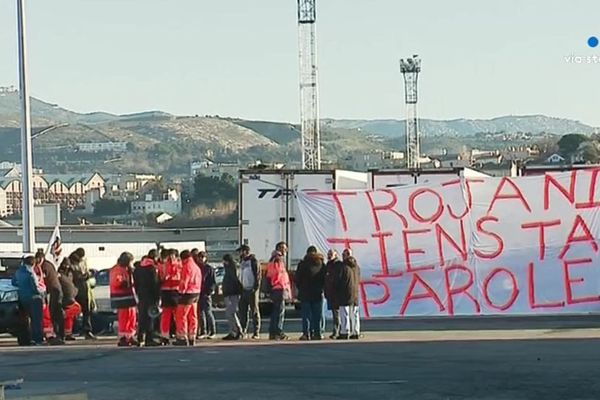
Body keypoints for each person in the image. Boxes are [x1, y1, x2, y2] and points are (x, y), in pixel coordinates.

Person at [295, 246, 326, 340]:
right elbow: (325, 278)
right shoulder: (321, 264)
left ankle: (306, 333)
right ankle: (318, 333)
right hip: (317, 292)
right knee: (317, 315)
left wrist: (300, 288)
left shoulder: (302, 264)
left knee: (306, 315)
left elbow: (297, 279)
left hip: (305, 293)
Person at [12, 255, 44, 345]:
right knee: (37, 320)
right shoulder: (31, 273)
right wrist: (43, 292)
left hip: (23, 298)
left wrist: (22, 287)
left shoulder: (18, 272)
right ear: (33, 264)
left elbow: (13, 282)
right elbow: (35, 288)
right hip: (34, 298)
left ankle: (30, 338)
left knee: (27, 320)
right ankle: (38, 339)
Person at [35, 250, 64, 345]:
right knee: (56, 312)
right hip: (55, 290)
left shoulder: (45, 266)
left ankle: (57, 333)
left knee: (53, 312)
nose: (37, 261)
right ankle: (59, 334)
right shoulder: (48, 264)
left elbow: (42, 280)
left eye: (38, 259)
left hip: (54, 291)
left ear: (42, 258)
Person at [110, 252, 139, 347]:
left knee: (132, 316)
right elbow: (116, 282)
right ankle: (123, 337)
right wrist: (124, 282)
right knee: (124, 318)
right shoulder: (116, 269)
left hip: (129, 296)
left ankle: (130, 335)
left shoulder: (128, 269)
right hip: (120, 297)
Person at [174, 250, 202, 346]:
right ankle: (192, 336)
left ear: (183, 259)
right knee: (193, 316)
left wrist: (180, 292)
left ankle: (182, 337)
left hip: (187, 294)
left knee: (181, 316)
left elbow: (184, 281)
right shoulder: (196, 266)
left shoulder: (187, 266)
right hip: (196, 293)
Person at [134, 250, 161, 347]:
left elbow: (135, 283)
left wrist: (138, 293)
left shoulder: (138, 268)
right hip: (151, 296)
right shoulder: (152, 268)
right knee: (150, 317)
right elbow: (155, 284)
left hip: (141, 295)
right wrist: (158, 297)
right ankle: (149, 339)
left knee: (142, 316)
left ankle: (140, 337)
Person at [266, 241, 291, 341]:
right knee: (280, 311)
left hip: (276, 288)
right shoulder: (278, 259)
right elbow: (278, 274)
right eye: (284, 249)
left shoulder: (273, 259)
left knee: (275, 311)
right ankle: (278, 332)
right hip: (279, 288)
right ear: (280, 249)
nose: (286, 251)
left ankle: (273, 332)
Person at [70, 248, 96, 340]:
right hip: (75, 290)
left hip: (84, 290)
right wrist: (84, 276)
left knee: (86, 311)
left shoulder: (82, 262)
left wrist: (87, 275)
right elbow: (75, 277)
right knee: (73, 311)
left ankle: (86, 330)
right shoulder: (71, 264)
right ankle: (72, 331)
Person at [336, 249, 361, 340]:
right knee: (354, 313)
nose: (342, 256)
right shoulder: (357, 266)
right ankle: (356, 331)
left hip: (345, 292)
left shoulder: (343, 266)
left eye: (343, 254)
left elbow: (338, 280)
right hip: (355, 292)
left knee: (344, 313)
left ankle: (345, 331)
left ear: (346, 255)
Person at [237, 245, 261, 340]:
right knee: (243, 312)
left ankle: (256, 332)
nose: (239, 253)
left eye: (241, 251)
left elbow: (258, 276)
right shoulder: (242, 262)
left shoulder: (253, 261)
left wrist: (255, 289)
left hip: (251, 290)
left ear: (246, 251)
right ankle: (243, 331)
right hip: (243, 290)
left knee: (254, 311)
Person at [158, 249, 180, 344]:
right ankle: (169, 335)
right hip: (172, 292)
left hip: (170, 292)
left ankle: (166, 336)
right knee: (173, 316)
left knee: (169, 316)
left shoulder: (164, 266)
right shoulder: (179, 266)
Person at [194, 250, 216, 340]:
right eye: (199, 257)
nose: (201, 259)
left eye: (202, 257)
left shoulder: (209, 268)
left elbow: (212, 281)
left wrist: (210, 291)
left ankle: (212, 331)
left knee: (208, 312)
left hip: (206, 293)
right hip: (198, 292)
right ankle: (203, 331)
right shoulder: (197, 267)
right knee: (200, 313)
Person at [57, 259, 81, 341]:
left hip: (68, 298)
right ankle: (65, 331)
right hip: (65, 299)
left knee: (70, 316)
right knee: (74, 310)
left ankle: (68, 333)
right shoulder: (60, 275)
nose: (66, 267)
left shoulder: (67, 275)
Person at [221, 254, 243, 340]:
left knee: (230, 313)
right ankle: (236, 330)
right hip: (231, 293)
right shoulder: (231, 268)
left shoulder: (232, 268)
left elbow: (234, 281)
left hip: (232, 293)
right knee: (231, 313)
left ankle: (235, 331)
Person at [324, 250, 342, 339]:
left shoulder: (338, 265)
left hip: (336, 293)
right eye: (328, 254)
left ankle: (337, 331)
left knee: (336, 313)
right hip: (330, 292)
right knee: (335, 313)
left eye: (331, 254)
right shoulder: (328, 265)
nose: (329, 255)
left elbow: (338, 279)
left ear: (335, 255)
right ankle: (337, 330)